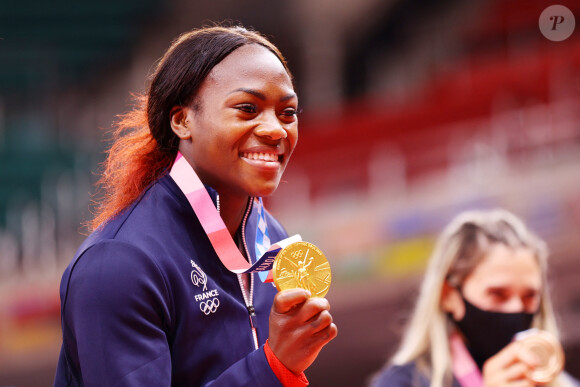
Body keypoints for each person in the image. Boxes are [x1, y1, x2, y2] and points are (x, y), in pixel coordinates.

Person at [54, 24, 337, 386]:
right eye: (248, 109)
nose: (276, 130)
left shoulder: (271, 239)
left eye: (288, 113)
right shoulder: (120, 263)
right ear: (182, 120)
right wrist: (274, 368)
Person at [370, 209, 579, 387]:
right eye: (497, 294)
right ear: (448, 295)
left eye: (529, 296)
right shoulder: (402, 382)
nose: (515, 308)